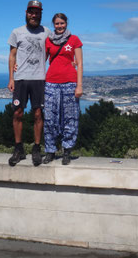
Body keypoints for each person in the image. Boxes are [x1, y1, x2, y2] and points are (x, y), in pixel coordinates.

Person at [7, 0, 51, 166]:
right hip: (21, 79)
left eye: (37, 12)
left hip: (39, 78)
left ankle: (36, 148)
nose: (34, 15)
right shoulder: (16, 32)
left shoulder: (47, 32)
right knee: (18, 113)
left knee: (38, 114)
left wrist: (72, 60)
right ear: (26, 13)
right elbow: (12, 55)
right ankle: (18, 149)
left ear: (40, 14)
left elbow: (53, 50)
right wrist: (11, 77)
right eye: (31, 12)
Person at [42, 13, 83, 165]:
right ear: (54, 25)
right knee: (50, 118)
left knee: (70, 117)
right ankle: (50, 150)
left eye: (62, 23)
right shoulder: (48, 40)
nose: (59, 26)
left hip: (70, 82)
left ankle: (67, 150)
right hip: (51, 82)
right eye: (57, 24)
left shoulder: (74, 40)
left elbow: (80, 63)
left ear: (66, 23)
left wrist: (79, 85)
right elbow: (41, 61)